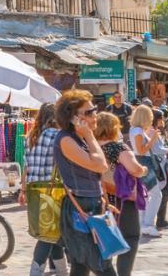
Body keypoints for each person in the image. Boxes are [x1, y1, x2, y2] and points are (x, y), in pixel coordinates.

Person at [53, 89, 114, 276]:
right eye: (88, 112)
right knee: (102, 265)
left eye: (94, 109)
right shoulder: (66, 139)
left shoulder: (79, 138)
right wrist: (89, 135)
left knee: (81, 265)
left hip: (91, 205)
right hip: (80, 209)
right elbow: (100, 165)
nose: (95, 115)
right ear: (73, 118)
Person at [96, 111, 148, 276]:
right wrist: (144, 170)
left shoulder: (91, 147)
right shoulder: (118, 147)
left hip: (99, 199)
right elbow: (135, 169)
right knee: (130, 236)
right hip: (121, 200)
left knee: (104, 239)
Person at [19, 103, 68, 276]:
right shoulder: (56, 136)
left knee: (51, 234)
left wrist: (22, 190)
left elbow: (26, 166)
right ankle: (35, 272)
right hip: (51, 191)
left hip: (34, 191)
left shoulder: (31, 136)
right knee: (47, 236)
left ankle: (62, 271)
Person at [129, 104, 164, 238]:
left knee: (148, 193)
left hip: (143, 162)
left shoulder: (136, 130)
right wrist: (153, 139)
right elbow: (141, 150)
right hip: (144, 162)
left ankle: (144, 222)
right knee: (155, 194)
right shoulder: (137, 131)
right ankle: (147, 224)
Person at [151, 110, 168, 228]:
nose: (163, 121)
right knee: (165, 193)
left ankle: (161, 219)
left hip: (162, 164)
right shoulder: (151, 132)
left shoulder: (156, 131)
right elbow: (156, 150)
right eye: (162, 118)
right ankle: (158, 219)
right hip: (157, 166)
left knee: (165, 192)